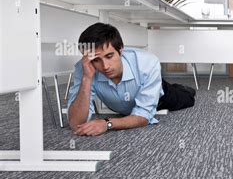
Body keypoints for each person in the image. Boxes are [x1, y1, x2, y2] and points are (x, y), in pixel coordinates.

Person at [67, 23, 195, 136]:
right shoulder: (84, 68)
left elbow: (143, 116)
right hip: (124, 107)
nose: (105, 66)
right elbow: (76, 123)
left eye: (109, 56)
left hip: (159, 96)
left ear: (121, 49)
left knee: (188, 99)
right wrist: (87, 79)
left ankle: (183, 88)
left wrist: (107, 123)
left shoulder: (147, 63)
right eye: (96, 60)